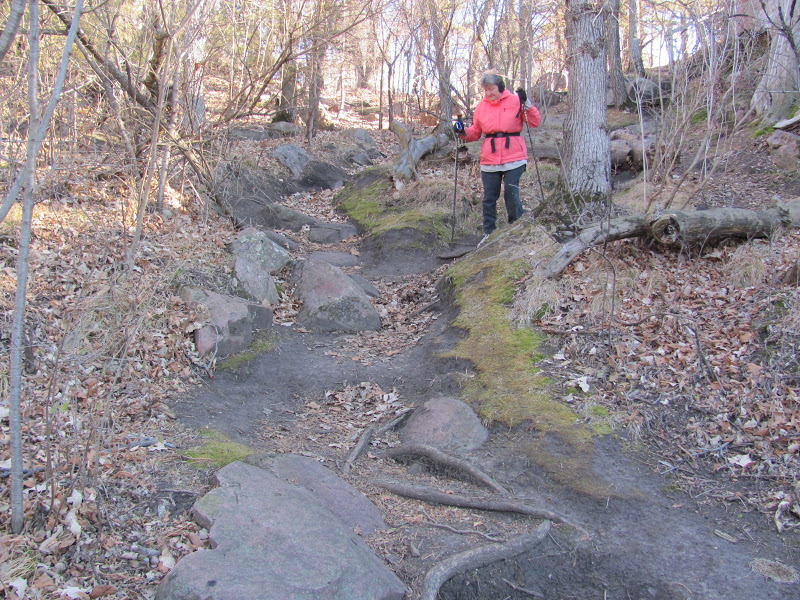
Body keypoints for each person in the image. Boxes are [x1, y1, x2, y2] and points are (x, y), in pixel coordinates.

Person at [454, 74, 541, 246]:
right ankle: (489, 233)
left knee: (511, 191)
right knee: (489, 197)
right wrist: (461, 130)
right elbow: (475, 133)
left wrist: (527, 104)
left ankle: (516, 228)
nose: (488, 93)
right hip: (490, 158)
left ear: (500, 87)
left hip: (514, 155)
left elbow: (534, 122)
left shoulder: (516, 101)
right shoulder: (481, 107)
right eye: (485, 90)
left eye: (491, 89)